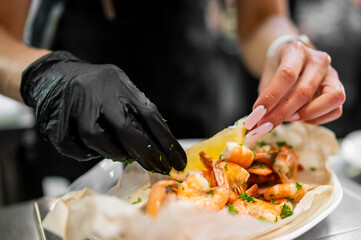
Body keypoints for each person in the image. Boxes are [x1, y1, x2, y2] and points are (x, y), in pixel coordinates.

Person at [0, 0, 345, 174]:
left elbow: (262, 16)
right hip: (82, 106)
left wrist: (285, 47)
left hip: (192, 85)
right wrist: (52, 78)